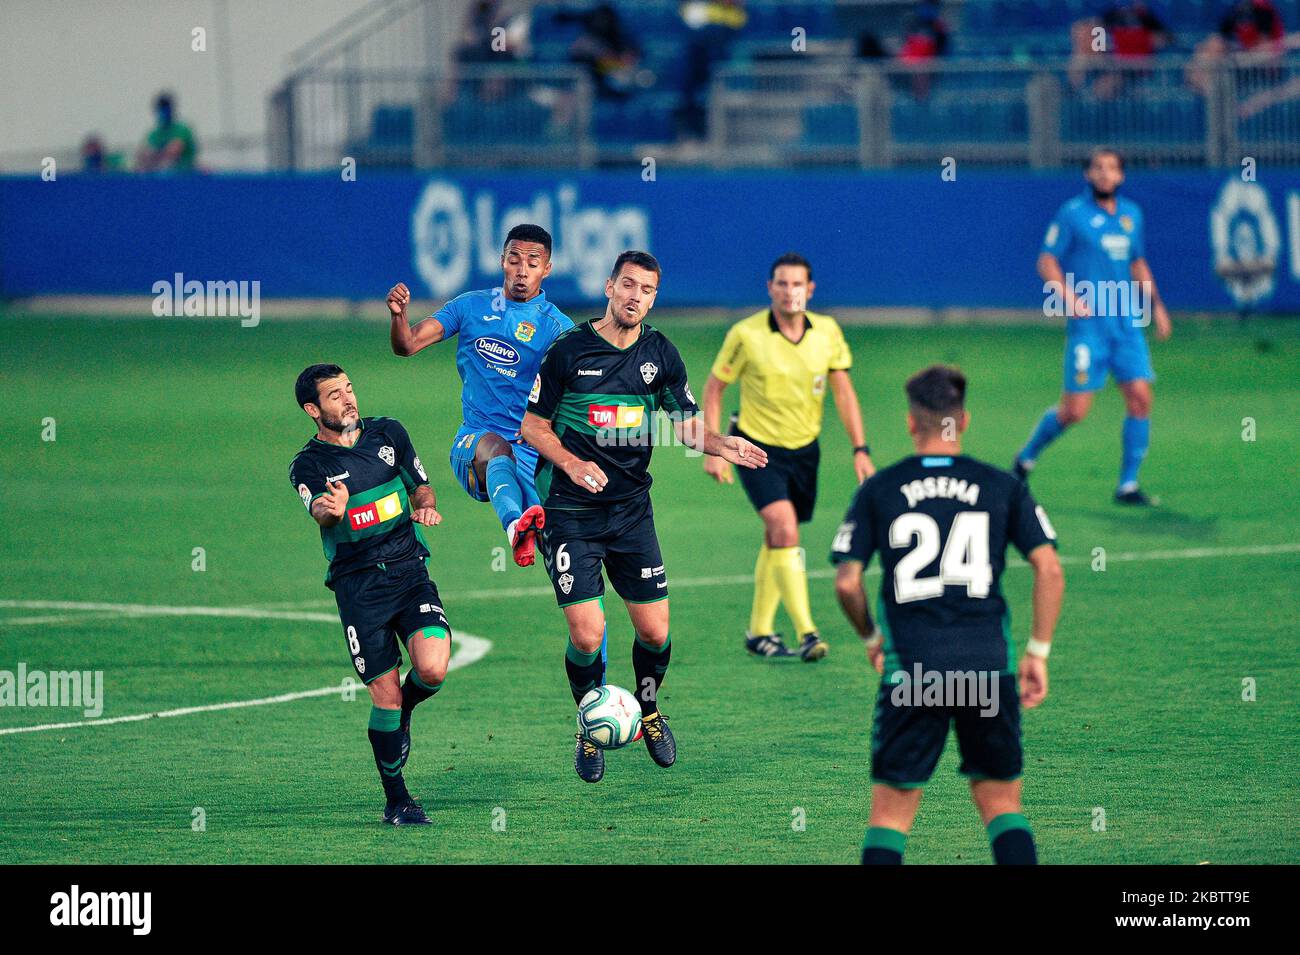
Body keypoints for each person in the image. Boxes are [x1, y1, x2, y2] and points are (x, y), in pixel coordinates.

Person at [521, 250, 768, 783]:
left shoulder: (660, 354)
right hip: (571, 511)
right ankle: (590, 725)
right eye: (628, 285)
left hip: (631, 513)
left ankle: (649, 710)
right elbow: (533, 427)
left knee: (655, 633)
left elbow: (684, 424)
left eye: (647, 290)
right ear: (609, 287)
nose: (636, 297)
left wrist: (722, 445)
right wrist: (571, 461)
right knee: (588, 636)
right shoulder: (568, 352)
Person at [832, 365, 1064, 865]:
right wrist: (1038, 653)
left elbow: (847, 581)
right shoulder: (1002, 486)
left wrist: (871, 638)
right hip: (987, 672)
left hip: (913, 675)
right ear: (964, 420)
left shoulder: (882, 488)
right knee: (1002, 805)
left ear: (911, 423)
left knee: (891, 818)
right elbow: (1049, 569)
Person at [288, 364, 449, 826]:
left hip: (408, 569)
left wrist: (427, 508)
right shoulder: (309, 465)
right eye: (334, 395)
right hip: (359, 587)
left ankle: (407, 708)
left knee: (433, 669)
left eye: (350, 389)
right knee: (384, 698)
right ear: (313, 410)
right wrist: (329, 509)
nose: (348, 399)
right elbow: (319, 509)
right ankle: (397, 799)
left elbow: (421, 484)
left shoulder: (389, 433)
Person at [702, 252, 874, 662]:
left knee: (778, 538)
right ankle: (807, 631)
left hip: (804, 450)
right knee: (785, 528)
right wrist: (717, 448)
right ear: (770, 288)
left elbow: (844, 392)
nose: (789, 290)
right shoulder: (746, 334)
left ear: (810, 290)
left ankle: (759, 632)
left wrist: (860, 448)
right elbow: (713, 388)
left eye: (797, 284)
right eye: (781, 283)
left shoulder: (828, 332)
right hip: (755, 447)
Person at [387, 224, 573, 566]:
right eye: (514, 259)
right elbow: (407, 345)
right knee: (495, 448)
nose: (522, 270)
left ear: (547, 269)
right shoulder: (470, 307)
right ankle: (514, 527)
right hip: (474, 445)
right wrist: (399, 317)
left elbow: (574, 392)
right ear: (502, 260)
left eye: (533, 262)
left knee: (566, 556)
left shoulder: (558, 328)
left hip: (533, 451)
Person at [1013, 147, 1172, 506]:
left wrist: (1157, 307)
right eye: (1097, 168)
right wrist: (1069, 297)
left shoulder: (1132, 214)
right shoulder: (1072, 214)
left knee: (1141, 399)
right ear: (1087, 175)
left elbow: (1137, 263)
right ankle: (1025, 459)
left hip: (1127, 325)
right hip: (1090, 329)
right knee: (1074, 412)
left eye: (1112, 168)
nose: (1104, 174)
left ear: (1121, 176)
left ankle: (1127, 485)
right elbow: (1046, 261)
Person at [135, 92, 197, 172]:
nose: (164, 113)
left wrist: (154, 154)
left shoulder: (182, 129)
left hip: (184, 173)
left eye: (166, 108)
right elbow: (143, 155)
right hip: (160, 174)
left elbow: (174, 151)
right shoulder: (154, 133)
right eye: (161, 109)